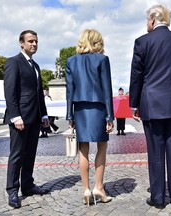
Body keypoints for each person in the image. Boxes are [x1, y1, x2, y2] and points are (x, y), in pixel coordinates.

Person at [129, 4, 171, 209]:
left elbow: (136, 76)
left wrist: (134, 104)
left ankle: (157, 197)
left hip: (152, 104)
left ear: (152, 19)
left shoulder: (142, 42)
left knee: (155, 152)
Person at [66, 29, 114, 206]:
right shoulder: (102, 59)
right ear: (97, 42)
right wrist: (110, 116)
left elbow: (69, 91)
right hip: (99, 107)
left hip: (79, 108)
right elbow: (107, 89)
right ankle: (98, 187)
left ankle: (86, 189)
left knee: (82, 149)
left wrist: (69, 115)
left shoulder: (71, 61)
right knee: (102, 146)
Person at [3, 30, 50, 208]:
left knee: (30, 154)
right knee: (17, 155)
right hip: (20, 119)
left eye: (36, 41)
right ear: (21, 43)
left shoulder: (36, 66)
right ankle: (12, 190)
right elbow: (10, 92)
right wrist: (15, 116)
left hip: (35, 118)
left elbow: (39, 94)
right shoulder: (13, 62)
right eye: (30, 41)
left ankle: (28, 185)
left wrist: (44, 114)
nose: (34, 44)